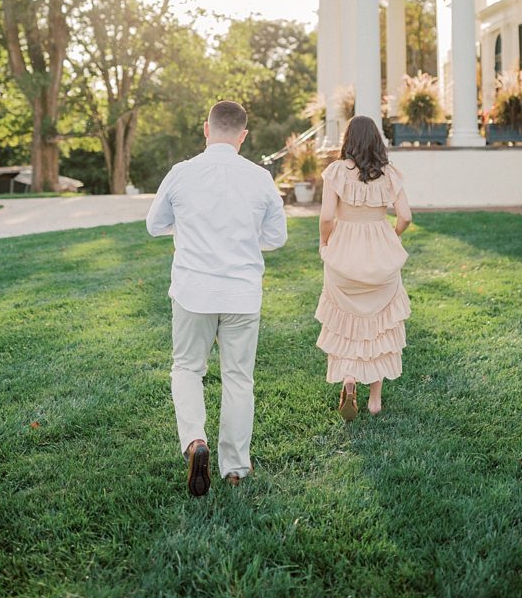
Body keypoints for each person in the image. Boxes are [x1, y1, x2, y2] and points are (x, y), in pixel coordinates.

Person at [146, 100, 287, 496]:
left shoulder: (181, 173)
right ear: (243, 136)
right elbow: (277, 237)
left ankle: (195, 441)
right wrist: (242, 240)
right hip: (242, 293)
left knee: (188, 369)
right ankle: (236, 468)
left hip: (194, 290)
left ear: (206, 130)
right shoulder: (260, 178)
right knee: (239, 379)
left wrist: (188, 230)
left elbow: (154, 225)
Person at [316, 114, 412, 420]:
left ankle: (348, 379)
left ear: (348, 140)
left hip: (345, 250)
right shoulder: (390, 174)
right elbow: (406, 217)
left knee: (345, 320)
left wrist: (325, 243)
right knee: (379, 323)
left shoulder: (335, 172)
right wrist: (390, 236)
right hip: (379, 248)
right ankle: (374, 400)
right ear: (377, 141)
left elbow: (327, 217)